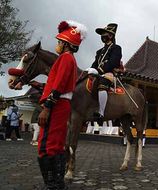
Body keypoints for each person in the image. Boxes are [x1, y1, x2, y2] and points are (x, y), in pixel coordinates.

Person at [37, 20, 86, 189]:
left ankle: (53, 185)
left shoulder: (65, 58)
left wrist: (47, 107)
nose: (57, 45)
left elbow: (58, 85)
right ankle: (56, 183)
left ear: (66, 44)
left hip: (56, 105)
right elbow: (54, 84)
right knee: (55, 145)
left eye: (59, 42)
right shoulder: (67, 58)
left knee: (47, 146)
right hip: (60, 103)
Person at [88, 23, 122, 120]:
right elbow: (95, 63)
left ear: (111, 35)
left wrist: (99, 71)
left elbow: (113, 62)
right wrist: (91, 70)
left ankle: (101, 112)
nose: (103, 36)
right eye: (102, 34)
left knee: (102, 84)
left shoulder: (116, 48)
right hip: (98, 73)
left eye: (105, 34)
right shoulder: (99, 51)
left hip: (108, 73)